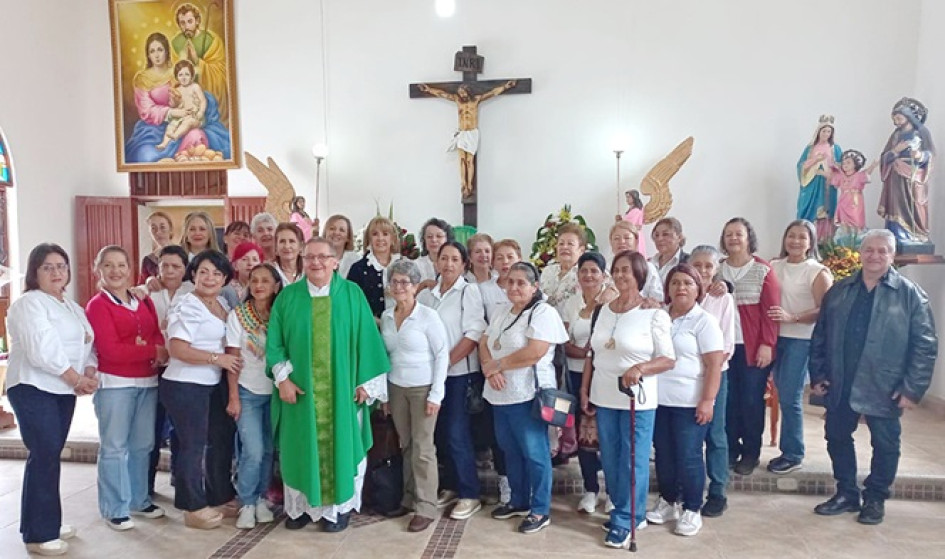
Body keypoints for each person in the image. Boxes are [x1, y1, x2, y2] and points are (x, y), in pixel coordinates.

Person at [810, 229, 938, 525]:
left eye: (882, 251)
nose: (875, 256)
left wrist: (912, 388)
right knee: (837, 437)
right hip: (841, 381)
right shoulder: (840, 291)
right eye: (869, 250)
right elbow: (820, 336)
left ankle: (876, 498)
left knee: (886, 444)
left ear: (892, 256)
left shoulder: (910, 294)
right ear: (860, 253)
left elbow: (925, 344)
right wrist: (818, 374)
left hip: (886, 385)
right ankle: (846, 493)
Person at [267, 237, 390, 532]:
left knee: (344, 445)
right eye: (309, 257)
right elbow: (275, 342)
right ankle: (300, 509)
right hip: (301, 392)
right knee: (298, 447)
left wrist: (367, 384)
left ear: (336, 261)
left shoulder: (352, 295)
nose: (316, 263)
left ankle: (338, 509)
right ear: (302, 261)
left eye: (323, 257)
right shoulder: (288, 297)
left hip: (343, 392)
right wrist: (282, 379)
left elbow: (368, 343)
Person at [6, 243, 98, 556]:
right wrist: (76, 378)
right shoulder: (29, 303)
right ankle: (38, 533)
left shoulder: (70, 306)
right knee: (43, 454)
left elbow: (87, 342)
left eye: (61, 265)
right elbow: (42, 348)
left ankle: (47, 521)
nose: (56, 272)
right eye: (48, 267)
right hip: (33, 387)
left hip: (61, 390)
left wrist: (89, 369)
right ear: (35, 272)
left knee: (50, 454)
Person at [581, 251, 675, 549]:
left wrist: (640, 368)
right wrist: (585, 390)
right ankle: (625, 508)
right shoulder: (604, 309)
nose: (621, 275)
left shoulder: (654, 313)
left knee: (632, 459)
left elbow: (668, 359)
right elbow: (593, 352)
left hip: (636, 397)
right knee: (610, 458)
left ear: (639, 275)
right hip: (603, 393)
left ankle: (626, 518)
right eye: (617, 270)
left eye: (628, 271)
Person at [479, 262, 567, 535]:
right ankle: (518, 500)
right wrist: (488, 368)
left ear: (535, 286)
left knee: (535, 453)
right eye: (510, 281)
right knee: (510, 449)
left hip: (528, 395)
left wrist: (498, 365)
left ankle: (540, 509)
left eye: (521, 283)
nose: (514, 287)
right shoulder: (501, 311)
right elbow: (484, 342)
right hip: (499, 394)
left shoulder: (543, 312)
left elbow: (534, 352)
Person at [86, 246, 168, 531]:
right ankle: (114, 507)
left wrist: (149, 347)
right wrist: (150, 350)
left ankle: (138, 499)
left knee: (143, 444)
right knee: (114, 447)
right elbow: (110, 351)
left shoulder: (140, 299)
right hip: (115, 385)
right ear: (99, 270)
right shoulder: (97, 305)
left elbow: (156, 333)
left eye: (121, 265)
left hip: (147, 382)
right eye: (108, 265)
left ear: (130, 267)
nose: (116, 271)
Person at [160, 250, 242, 530]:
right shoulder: (188, 305)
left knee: (219, 440)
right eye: (204, 271)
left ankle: (218, 495)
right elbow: (177, 348)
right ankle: (192, 506)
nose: (210, 278)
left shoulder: (219, 303)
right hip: (185, 384)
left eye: (217, 273)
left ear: (225, 279)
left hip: (211, 384)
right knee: (191, 446)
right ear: (193, 274)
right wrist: (216, 359)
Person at [646, 264, 724, 537]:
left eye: (687, 283)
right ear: (667, 289)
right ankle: (669, 501)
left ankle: (692, 508)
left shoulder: (705, 321)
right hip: (658, 401)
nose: (681, 288)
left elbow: (715, 365)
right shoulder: (659, 316)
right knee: (664, 456)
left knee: (689, 457)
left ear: (698, 289)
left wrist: (708, 400)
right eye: (675, 283)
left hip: (689, 402)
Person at [417, 242, 488, 521]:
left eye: (454, 259)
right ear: (436, 262)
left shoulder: (468, 291)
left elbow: (473, 333)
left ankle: (470, 493)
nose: (447, 264)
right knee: (440, 433)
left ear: (463, 264)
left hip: (458, 374)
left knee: (458, 434)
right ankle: (450, 485)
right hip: (431, 376)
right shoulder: (428, 295)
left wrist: (445, 363)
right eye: (443, 258)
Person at [381, 260, 450, 532]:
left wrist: (436, 394)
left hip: (423, 388)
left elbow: (442, 354)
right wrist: (385, 395)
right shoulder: (387, 316)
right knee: (406, 444)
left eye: (405, 282)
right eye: (394, 282)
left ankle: (426, 506)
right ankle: (408, 498)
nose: (399, 287)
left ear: (416, 286)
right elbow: (386, 355)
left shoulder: (427, 316)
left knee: (423, 448)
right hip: (396, 387)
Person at [766, 220, 833, 474]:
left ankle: (793, 453)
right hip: (773, 338)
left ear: (810, 242)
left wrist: (792, 317)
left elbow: (824, 310)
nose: (795, 241)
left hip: (800, 339)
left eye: (801, 238)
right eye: (791, 236)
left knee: (790, 396)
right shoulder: (773, 266)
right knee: (775, 393)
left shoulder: (816, 271)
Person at [719, 218, 780, 476]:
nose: (733, 238)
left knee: (751, 402)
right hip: (724, 348)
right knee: (728, 401)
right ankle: (730, 449)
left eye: (739, 234)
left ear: (748, 238)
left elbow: (771, 312)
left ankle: (751, 453)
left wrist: (767, 344)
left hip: (753, 347)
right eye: (729, 234)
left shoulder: (763, 270)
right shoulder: (717, 270)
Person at [225, 263, 282, 530]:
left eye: (265, 281)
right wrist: (234, 396)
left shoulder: (281, 314)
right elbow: (233, 360)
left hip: (275, 393)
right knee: (253, 451)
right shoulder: (237, 315)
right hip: (247, 392)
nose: (259, 285)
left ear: (276, 286)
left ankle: (260, 498)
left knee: (269, 450)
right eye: (254, 281)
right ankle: (246, 501)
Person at [123, 32, 230, 164]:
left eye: (160, 50)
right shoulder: (142, 79)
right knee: (145, 156)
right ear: (148, 55)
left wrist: (187, 105)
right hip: (154, 129)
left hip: (184, 121)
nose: (156, 55)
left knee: (197, 137)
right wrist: (171, 112)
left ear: (167, 51)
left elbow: (192, 93)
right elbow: (146, 110)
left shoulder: (179, 72)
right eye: (152, 51)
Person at [561, 252, 612, 514]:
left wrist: (593, 354)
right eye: (584, 271)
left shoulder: (613, 300)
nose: (589, 276)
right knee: (585, 436)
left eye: (594, 271)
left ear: (603, 274)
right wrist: (584, 353)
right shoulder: (571, 302)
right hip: (576, 374)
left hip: (605, 376)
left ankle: (613, 491)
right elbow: (564, 340)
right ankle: (590, 489)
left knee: (608, 434)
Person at [688, 245, 735, 518]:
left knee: (715, 433)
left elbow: (727, 343)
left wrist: (706, 363)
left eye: (708, 266)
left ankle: (718, 491)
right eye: (698, 265)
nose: (703, 271)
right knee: (690, 434)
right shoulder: (681, 294)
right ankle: (689, 486)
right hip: (684, 377)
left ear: (716, 269)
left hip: (715, 374)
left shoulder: (723, 299)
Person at [416, 80, 517, 199]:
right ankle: (464, 185)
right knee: (462, 160)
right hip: (462, 132)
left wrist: (505, 86)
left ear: (468, 92)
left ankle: (470, 185)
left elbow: (492, 93)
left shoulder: (476, 100)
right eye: (460, 93)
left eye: (463, 93)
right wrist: (428, 89)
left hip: (472, 133)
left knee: (470, 161)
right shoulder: (457, 100)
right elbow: (442, 94)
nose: (461, 95)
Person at [145, 246, 192, 496]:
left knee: (180, 430)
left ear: (185, 269)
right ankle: (146, 486)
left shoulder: (192, 292)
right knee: (151, 429)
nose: (170, 271)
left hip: (183, 368)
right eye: (165, 266)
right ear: (158, 267)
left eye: (176, 266)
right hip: (153, 368)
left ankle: (179, 480)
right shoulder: (146, 293)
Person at [539, 223, 587, 466]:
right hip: (548, 342)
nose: (565, 248)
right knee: (556, 393)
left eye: (571, 243)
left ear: (581, 248)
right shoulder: (548, 271)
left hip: (574, 341)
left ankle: (572, 444)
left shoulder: (587, 271)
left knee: (573, 393)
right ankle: (559, 443)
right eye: (561, 243)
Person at [877, 97, 936, 244]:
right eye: (894, 118)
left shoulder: (921, 133)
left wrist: (919, 155)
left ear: (908, 117)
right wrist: (895, 151)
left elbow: (931, 154)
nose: (895, 121)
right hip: (896, 176)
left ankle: (916, 234)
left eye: (898, 117)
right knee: (896, 205)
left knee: (915, 203)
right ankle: (896, 234)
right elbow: (884, 157)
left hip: (914, 175)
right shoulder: (896, 135)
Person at [172, 3, 230, 123]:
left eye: (190, 21)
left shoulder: (211, 41)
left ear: (197, 21)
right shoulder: (175, 43)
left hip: (205, 93)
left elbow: (221, 71)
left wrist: (198, 61)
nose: (186, 26)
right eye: (182, 23)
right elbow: (171, 72)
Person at [797, 115, 843, 241]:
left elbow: (842, 167)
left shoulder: (835, 148)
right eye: (824, 131)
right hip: (813, 184)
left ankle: (824, 241)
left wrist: (831, 170)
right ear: (818, 131)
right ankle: (810, 239)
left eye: (829, 132)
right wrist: (815, 161)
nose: (826, 134)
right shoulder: (810, 148)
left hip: (827, 184)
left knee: (826, 213)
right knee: (812, 212)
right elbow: (801, 167)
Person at [347, 216, 402, 319]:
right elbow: (351, 302)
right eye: (375, 234)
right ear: (368, 239)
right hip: (370, 327)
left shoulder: (403, 266)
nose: (380, 238)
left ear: (393, 239)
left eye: (385, 234)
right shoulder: (358, 269)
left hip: (402, 326)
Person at [155, 60, 206, 151]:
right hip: (182, 116)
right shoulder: (177, 89)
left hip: (194, 116)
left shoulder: (195, 87)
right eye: (180, 75)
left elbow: (203, 101)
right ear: (177, 77)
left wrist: (201, 112)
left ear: (192, 76)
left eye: (187, 74)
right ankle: (164, 143)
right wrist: (173, 100)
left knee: (188, 122)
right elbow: (174, 106)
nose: (184, 77)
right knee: (171, 126)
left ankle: (176, 135)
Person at [830, 150, 878, 245]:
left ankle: (856, 239)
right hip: (843, 201)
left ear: (856, 164)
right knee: (844, 224)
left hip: (855, 202)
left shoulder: (859, 176)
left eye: (848, 162)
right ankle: (845, 240)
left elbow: (867, 172)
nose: (845, 165)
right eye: (843, 163)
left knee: (856, 221)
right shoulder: (841, 176)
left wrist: (874, 165)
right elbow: (831, 177)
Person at [608, 221, 662, 303]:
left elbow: (657, 298)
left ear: (636, 241)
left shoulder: (647, 267)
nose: (622, 242)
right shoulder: (604, 267)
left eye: (627, 238)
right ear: (611, 242)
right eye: (616, 238)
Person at [480, 238, 521, 321]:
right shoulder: (484, 289)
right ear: (493, 263)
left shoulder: (529, 288)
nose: (505, 261)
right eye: (499, 258)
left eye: (510, 257)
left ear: (519, 259)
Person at [223, 241, 263, 309]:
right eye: (245, 259)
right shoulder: (227, 291)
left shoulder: (265, 288)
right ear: (235, 265)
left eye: (255, 260)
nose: (250, 263)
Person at [649, 217, 689, 284]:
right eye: (656, 235)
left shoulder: (689, 261)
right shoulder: (650, 262)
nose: (660, 239)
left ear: (679, 237)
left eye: (665, 234)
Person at [415, 217, 454, 285]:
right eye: (429, 236)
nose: (434, 240)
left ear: (447, 239)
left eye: (439, 236)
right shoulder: (416, 265)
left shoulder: (456, 264)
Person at [140, 211, 174, 282]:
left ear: (170, 229)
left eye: (162, 227)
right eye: (153, 228)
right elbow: (142, 285)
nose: (158, 232)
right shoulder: (148, 260)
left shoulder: (184, 254)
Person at [618, 189, 647, 256]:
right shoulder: (630, 210)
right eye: (626, 197)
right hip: (630, 233)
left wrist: (620, 222)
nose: (627, 199)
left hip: (634, 234)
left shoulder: (636, 210)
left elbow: (629, 224)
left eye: (629, 197)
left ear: (634, 198)